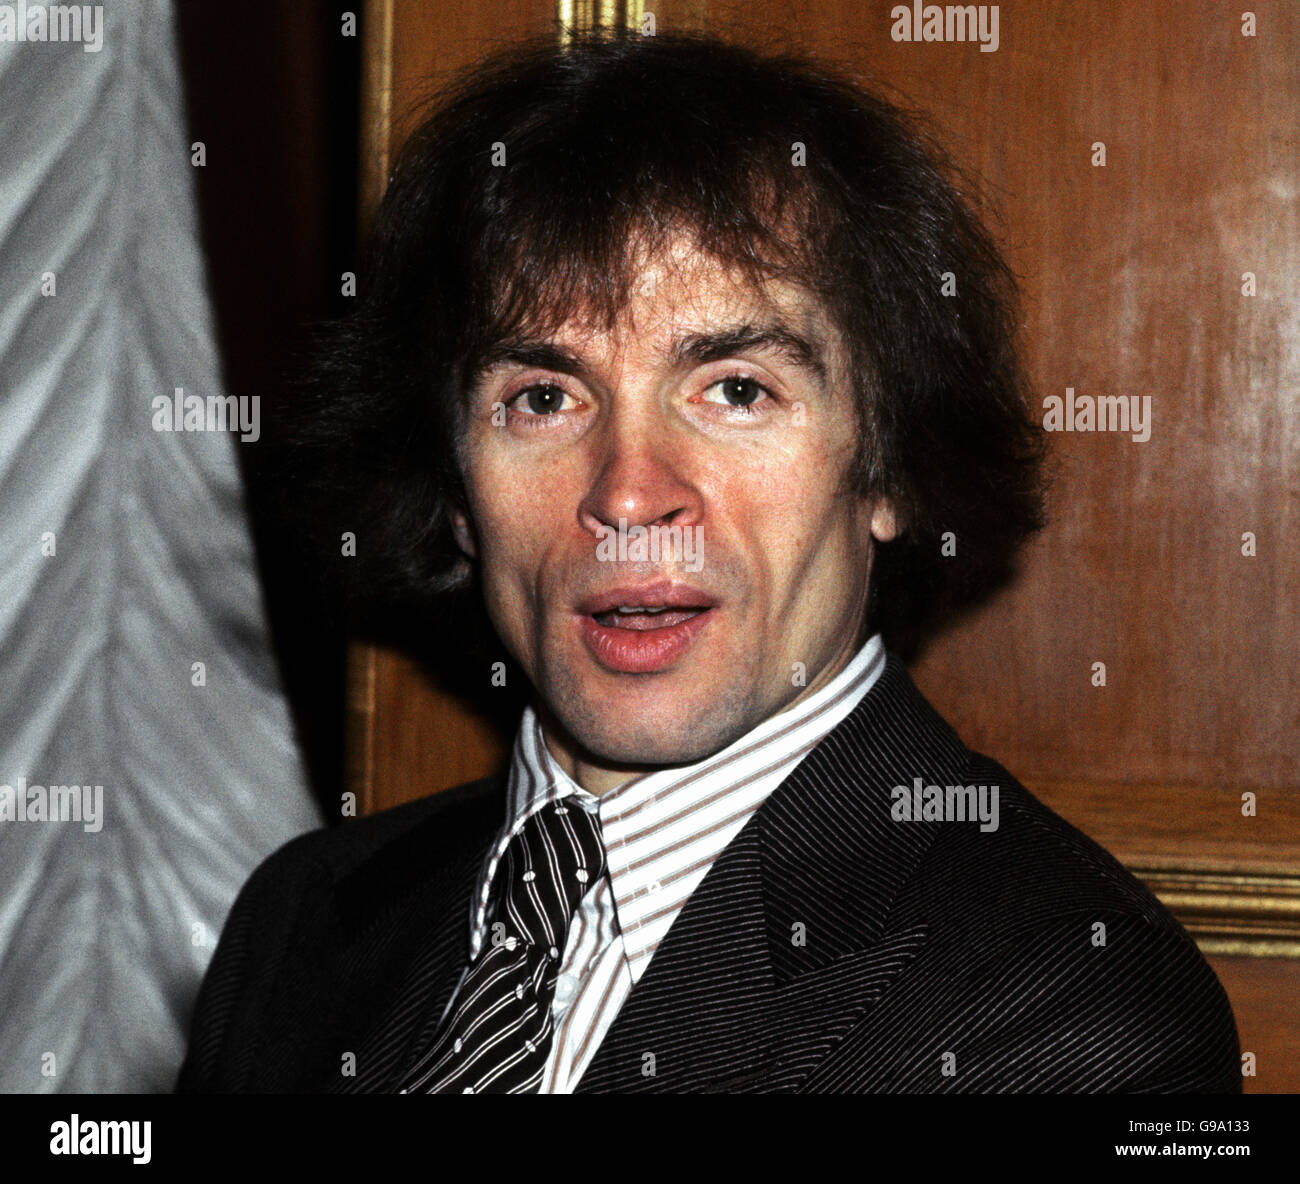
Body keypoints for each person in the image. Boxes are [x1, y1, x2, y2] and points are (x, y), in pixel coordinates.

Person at [176, 31, 1239, 1094]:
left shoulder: (1079, 1011)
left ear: (888, 469)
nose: (628, 493)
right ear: (456, 489)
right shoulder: (304, 919)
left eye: (735, 389)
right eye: (543, 398)